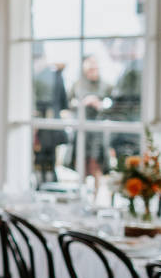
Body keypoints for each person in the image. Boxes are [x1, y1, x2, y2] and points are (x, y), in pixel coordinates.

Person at [33, 44, 69, 184]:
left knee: (43, 158)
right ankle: (48, 181)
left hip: (46, 123)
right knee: (48, 158)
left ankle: (45, 182)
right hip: (50, 123)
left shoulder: (50, 76)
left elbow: (63, 101)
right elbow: (63, 102)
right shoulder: (54, 76)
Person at [71, 54, 110, 178]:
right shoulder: (77, 84)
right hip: (82, 127)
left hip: (98, 128)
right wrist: (83, 102)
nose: (92, 68)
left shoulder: (106, 85)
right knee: (80, 160)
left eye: (94, 65)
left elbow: (113, 104)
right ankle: (82, 190)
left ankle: (95, 195)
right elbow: (69, 102)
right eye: (89, 66)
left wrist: (100, 104)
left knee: (96, 162)